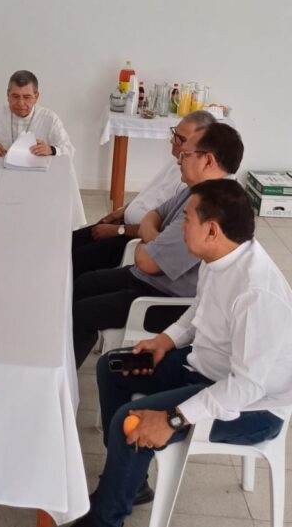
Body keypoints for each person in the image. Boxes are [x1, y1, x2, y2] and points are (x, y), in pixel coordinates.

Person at [53, 179, 292, 527]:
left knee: (131, 419)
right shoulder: (221, 256)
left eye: (187, 219)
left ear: (211, 229)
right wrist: (166, 340)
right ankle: (130, 483)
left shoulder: (257, 294)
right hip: (204, 369)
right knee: (113, 366)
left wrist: (174, 418)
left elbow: (246, 387)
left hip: (251, 408)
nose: (180, 226)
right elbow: (199, 308)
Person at [72, 122, 244, 368]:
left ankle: (60, 381)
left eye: (185, 155)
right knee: (84, 282)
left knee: (82, 312)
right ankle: (67, 359)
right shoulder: (197, 190)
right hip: (149, 281)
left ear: (208, 160)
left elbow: (147, 261)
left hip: (167, 300)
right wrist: (156, 240)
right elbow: (153, 215)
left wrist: (150, 242)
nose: (178, 160)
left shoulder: (212, 208)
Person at [72, 110, 215, 279]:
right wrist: (122, 211)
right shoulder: (175, 163)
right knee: (69, 242)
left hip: (129, 239)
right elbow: (152, 199)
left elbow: (161, 231)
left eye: (180, 139)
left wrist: (119, 230)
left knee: (74, 260)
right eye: (174, 133)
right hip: (124, 225)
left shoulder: (189, 181)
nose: (172, 140)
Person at [0, 70, 74, 158]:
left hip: (37, 174)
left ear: (36, 97)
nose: (20, 103)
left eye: (27, 97)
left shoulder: (50, 118)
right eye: (15, 96)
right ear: (8, 95)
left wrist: (51, 150)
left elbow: (69, 150)